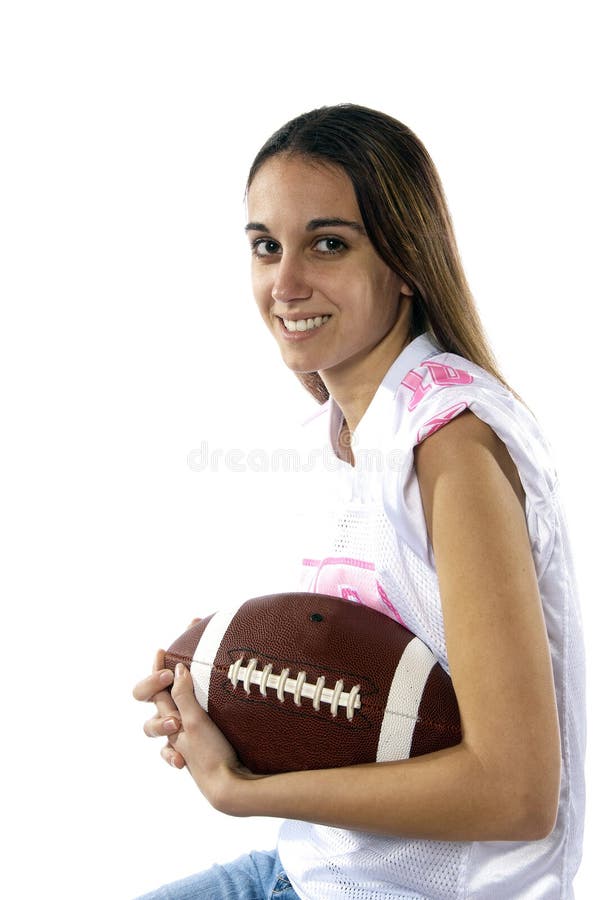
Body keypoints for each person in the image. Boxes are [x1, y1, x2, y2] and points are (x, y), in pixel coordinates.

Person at [133, 104, 586, 899]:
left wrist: (245, 791)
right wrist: (220, 691)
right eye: (266, 247)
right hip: (312, 869)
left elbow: (517, 794)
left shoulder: (452, 448)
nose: (286, 282)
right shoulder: (343, 430)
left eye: (328, 244)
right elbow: (368, 689)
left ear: (407, 260)